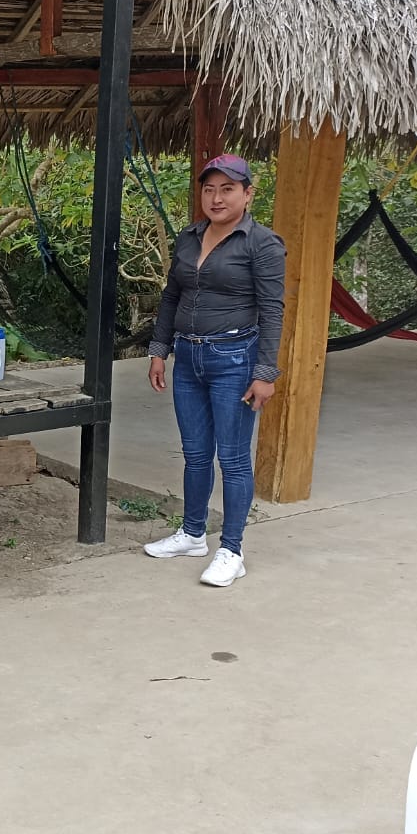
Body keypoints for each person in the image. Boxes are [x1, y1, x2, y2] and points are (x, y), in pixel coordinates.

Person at [143, 154, 287, 587]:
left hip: (235, 360)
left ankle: (232, 550)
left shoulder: (262, 243)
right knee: (195, 453)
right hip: (188, 358)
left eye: (227, 189)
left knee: (234, 458)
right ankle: (192, 534)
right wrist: (159, 349)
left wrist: (265, 372)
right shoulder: (190, 237)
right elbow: (171, 296)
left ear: (247, 194)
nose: (217, 198)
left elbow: (273, 310)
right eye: (209, 189)